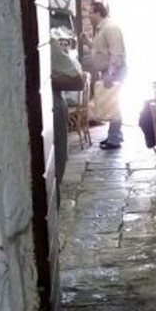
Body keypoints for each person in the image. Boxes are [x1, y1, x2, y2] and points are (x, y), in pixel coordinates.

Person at [82, 1, 126, 150]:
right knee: (111, 104)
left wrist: (110, 73)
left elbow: (116, 52)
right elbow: (100, 49)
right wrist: (87, 42)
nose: (88, 15)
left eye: (90, 12)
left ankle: (114, 139)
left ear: (98, 13)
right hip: (109, 71)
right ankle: (114, 135)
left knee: (114, 104)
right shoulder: (101, 29)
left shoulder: (110, 28)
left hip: (115, 71)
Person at [50, 29, 84, 198]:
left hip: (52, 107)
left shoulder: (49, 44)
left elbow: (78, 81)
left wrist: (43, 78)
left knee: (54, 168)